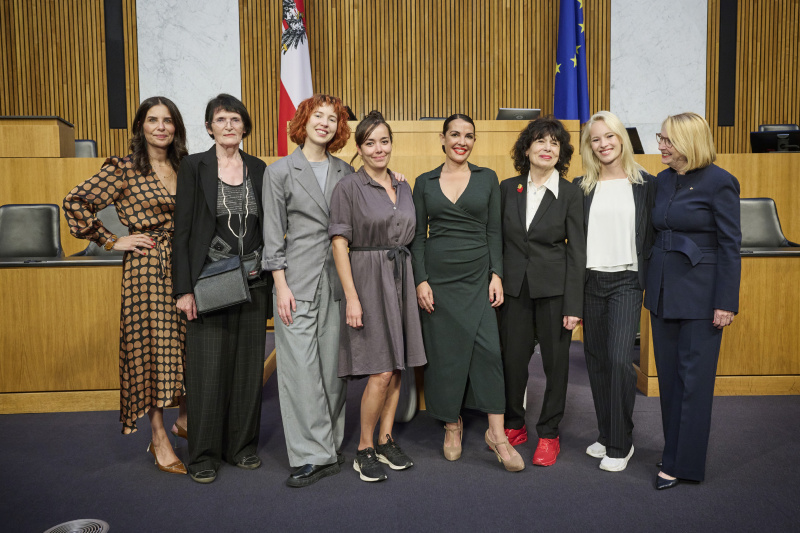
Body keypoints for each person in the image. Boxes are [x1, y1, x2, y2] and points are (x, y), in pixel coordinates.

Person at [63, 96, 189, 474]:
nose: (161, 127)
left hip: (182, 263)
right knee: (149, 348)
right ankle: (158, 436)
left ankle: (185, 418)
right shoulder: (123, 169)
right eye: (153, 120)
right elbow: (75, 201)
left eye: (168, 120)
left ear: (176, 127)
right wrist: (111, 239)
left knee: (188, 342)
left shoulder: (187, 166)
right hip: (146, 268)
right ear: (140, 127)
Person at [411, 113, 524, 472]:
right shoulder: (424, 181)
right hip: (439, 280)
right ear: (442, 139)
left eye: (469, 136)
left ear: (474, 141)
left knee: (489, 351)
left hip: (478, 275)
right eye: (455, 134)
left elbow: (494, 231)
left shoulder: (487, 177)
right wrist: (421, 279)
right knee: (444, 354)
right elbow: (415, 238)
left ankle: (496, 434)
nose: (462, 141)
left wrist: (497, 274)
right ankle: (452, 424)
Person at [172, 94, 270, 484]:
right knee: (206, 371)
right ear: (209, 127)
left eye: (236, 119)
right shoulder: (194, 166)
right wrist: (184, 290)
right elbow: (182, 233)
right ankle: (203, 455)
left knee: (248, 370)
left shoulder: (260, 168)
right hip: (208, 282)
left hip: (254, 282)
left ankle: (241, 447)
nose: (229, 125)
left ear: (245, 127)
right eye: (221, 119)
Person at [329, 111, 427, 482]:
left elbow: (410, 234)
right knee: (380, 369)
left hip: (401, 276)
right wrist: (352, 297)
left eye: (384, 141)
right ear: (359, 148)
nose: (378, 148)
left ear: (391, 143)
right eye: (369, 142)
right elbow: (340, 244)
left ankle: (386, 440)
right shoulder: (348, 188)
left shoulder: (403, 186)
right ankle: (364, 448)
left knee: (398, 364)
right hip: (368, 280)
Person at [262, 94, 354, 488]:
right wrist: (279, 285)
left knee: (333, 370)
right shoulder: (280, 171)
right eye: (318, 116)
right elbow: (271, 237)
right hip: (294, 282)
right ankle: (311, 454)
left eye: (332, 119)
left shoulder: (346, 171)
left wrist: (393, 180)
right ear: (303, 121)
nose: (325, 123)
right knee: (299, 370)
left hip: (337, 281)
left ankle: (329, 446)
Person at [645, 112, 741, 490]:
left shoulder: (720, 182)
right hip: (665, 291)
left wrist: (726, 302)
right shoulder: (663, 181)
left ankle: (682, 464)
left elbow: (731, 246)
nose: (661, 146)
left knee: (694, 382)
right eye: (661, 137)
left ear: (689, 141)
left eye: (667, 139)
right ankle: (675, 450)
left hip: (703, 297)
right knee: (669, 380)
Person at [498, 116, 585, 467]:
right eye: (540, 141)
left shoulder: (570, 193)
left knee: (556, 367)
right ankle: (514, 425)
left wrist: (574, 304)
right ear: (527, 148)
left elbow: (578, 251)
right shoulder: (507, 188)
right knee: (513, 363)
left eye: (554, 143)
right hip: (514, 291)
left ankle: (549, 433)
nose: (547, 147)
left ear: (561, 152)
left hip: (555, 294)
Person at [574, 111, 655, 472]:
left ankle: (621, 444)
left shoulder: (647, 185)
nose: (604, 144)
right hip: (591, 282)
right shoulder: (581, 187)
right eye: (596, 139)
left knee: (621, 362)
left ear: (622, 139)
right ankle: (608, 434)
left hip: (625, 280)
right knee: (598, 363)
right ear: (589, 146)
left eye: (610, 136)